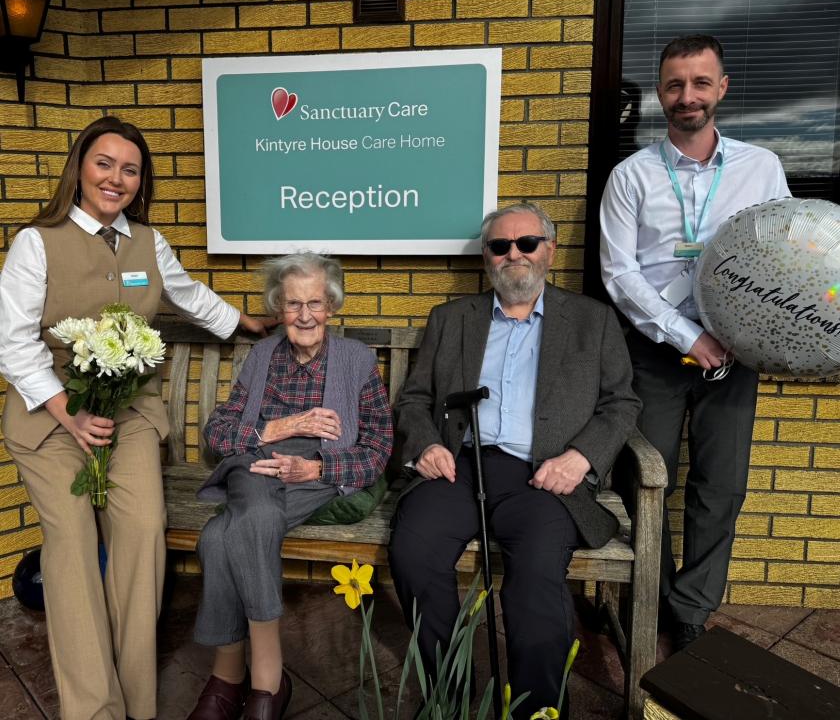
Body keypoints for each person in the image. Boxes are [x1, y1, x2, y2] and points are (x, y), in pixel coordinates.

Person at [0, 116, 272, 720]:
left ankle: (135, 702)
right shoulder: (36, 242)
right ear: (80, 167)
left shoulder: (148, 243)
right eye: (104, 163)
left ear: (140, 180)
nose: (115, 178)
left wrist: (242, 323)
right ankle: (95, 710)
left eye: (130, 168)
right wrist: (67, 410)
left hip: (129, 415)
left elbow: (186, 293)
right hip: (50, 420)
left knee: (145, 535)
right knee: (71, 548)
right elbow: (13, 343)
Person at [388, 203, 640, 718]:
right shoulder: (451, 319)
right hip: (458, 467)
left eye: (527, 243)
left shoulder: (591, 321)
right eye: (500, 246)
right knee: (414, 552)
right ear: (487, 256)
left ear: (549, 250)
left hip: (544, 476)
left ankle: (537, 710)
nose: (514, 254)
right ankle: (449, 700)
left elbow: (622, 403)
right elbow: (414, 400)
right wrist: (427, 445)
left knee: (536, 580)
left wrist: (580, 457)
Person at [599, 35, 791, 651]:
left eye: (700, 83)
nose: (688, 96)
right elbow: (620, 273)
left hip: (736, 354)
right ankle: (646, 600)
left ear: (722, 88)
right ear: (661, 93)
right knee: (648, 479)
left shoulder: (760, 167)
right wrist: (686, 335)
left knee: (722, 483)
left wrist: (747, 332)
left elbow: (784, 249)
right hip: (654, 353)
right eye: (675, 85)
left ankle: (690, 611)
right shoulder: (631, 176)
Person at [187, 252, 393, 720]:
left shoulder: (357, 361)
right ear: (278, 307)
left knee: (219, 536)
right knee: (255, 507)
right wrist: (271, 430)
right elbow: (218, 433)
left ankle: (227, 679)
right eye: (293, 304)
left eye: (315, 303)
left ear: (332, 307)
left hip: (316, 475)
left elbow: (379, 447)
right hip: (254, 464)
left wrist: (318, 468)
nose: (304, 316)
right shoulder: (261, 358)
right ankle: (268, 677)